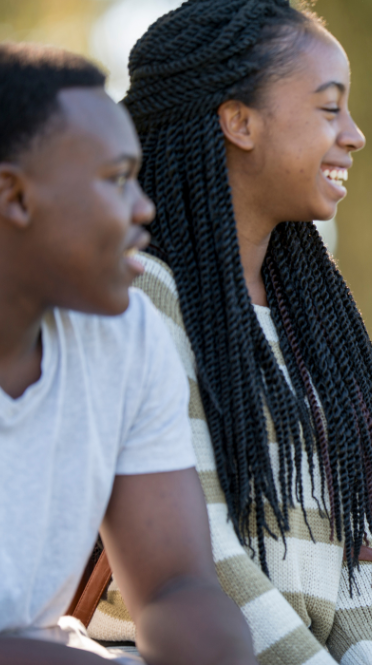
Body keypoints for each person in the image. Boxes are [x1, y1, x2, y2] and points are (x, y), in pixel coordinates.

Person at [84, 0, 372, 665]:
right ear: (239, 121)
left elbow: (354, 575)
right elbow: (199, 553)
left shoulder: (311, 324)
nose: (353, 134)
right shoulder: (142, 297)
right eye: (329, 108)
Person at [0, 43, 256, 665]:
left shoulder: (127, 333)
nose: (144, 208)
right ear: (15, 197)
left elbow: (174, 582)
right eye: (116, 180)